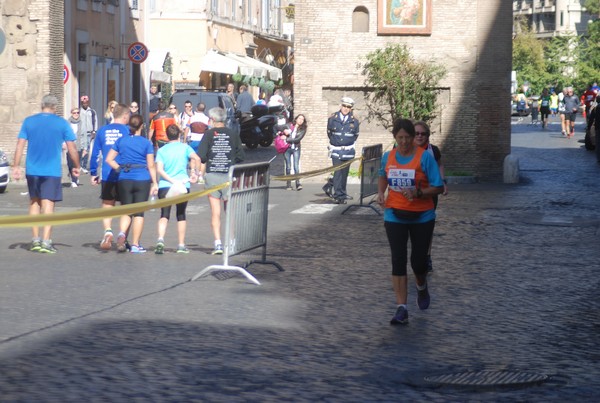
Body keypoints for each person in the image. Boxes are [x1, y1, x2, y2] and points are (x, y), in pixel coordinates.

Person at [377, 118, 443, 325]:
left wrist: (419, 192)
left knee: (418, 262)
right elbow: (382, 175)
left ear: (414, 138)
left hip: (422, 215)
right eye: (400, 138)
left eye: (408, 137)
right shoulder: (388, 157)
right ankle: (401, 308)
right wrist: (381, 192)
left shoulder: (425, 158)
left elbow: (438, 187)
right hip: (394, 213)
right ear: (395, 138)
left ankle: (421, 287)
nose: (404, 142)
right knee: (398, 259)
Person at [11, 94, 81, 253]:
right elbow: (72, 148)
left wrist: (15, 166)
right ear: (55, 107)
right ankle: (46, 241)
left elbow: (20, 145)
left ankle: (35, 240)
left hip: (32, 169)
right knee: (48, 205)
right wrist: (76, 166)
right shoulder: (62, 123)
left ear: (42, 105)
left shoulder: (29, 121)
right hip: (51, 171)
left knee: (34, 202)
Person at [105, 114, 158, 254]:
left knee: (126, 210)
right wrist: (155, 183)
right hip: (142, 178)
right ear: (142, 126)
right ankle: (135, 244)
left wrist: (119, 168)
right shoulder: (147, 143)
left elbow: (109, 159)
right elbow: (151, 164)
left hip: (124, 178)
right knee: (139, 213)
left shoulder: (121, 140)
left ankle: (122, 234)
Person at [197, 107, 245, 255]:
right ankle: (231, 241)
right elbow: (240, 155)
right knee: (229, 211)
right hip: (228, 175)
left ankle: (218, 243)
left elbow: (202, 156)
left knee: (215, 212)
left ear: (212, 120)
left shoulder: (208, 134)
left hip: (212, 176)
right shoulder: (233, 134)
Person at [89, 103, 131, 250]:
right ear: (125, 116)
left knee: (107, 204)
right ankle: (122, 235)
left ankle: (107, 232)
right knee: (126, 206)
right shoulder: (127, 131)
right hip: (125, 173)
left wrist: (94, 172)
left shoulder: (102, 131)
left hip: (107, 173)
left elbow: (95, 154)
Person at [154, 124, 201, 254]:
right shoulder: (185, 147)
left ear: (167, 136)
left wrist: (170, 180)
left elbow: (159, 170)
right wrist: (194, 173)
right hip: (182, 184)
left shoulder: (162, 150)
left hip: (165, 186)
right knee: (181, 214)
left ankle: (160, 239)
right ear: (179, 135)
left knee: (164, 214)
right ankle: (181, 244)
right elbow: (197, 158)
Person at [413, 121, 447, 274]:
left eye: (423, 133)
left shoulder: (433, 150)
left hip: (429, 193)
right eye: (416, 133)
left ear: (427, 135)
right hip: (410, 194)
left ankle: (427, 256)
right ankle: (416, 254)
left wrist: (442, 181)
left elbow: (440, 165)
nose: (419, 136)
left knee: (427, 227)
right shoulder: (404, 149)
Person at [323, 97, 360, 204]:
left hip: (348, 151)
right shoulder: (332, 118)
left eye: (348, 107)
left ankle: (342, 193)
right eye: (344, 106)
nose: (346, 108)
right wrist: (337, 143)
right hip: (336, 150)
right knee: (338, 173)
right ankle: (338, 195)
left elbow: (355, 135)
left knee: (344, 174)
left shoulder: (355, 120)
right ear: (341, 106)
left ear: (351, 108)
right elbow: (329, 133)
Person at [282, 114, 307, 191]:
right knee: (288, 166)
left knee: (296, 166)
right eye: (299, 118)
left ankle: (298, 183)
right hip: (287, 148)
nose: (300, 120)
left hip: (296, 148)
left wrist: (287, 139)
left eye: (302, 119)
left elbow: (297, 139)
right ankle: (288, 184)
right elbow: (278, 129)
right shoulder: (289, 125)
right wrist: (282, 132)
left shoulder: (303, 129)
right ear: (296, 119)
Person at [79, 94, 98, 173]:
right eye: (83, 102)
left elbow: (95, 121)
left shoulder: (92, 112)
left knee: (87, 149)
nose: (85, 103)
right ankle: (79, 165)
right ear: (81, 103)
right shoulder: (79, 111)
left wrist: (94, 131)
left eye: (86, 102)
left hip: (89, 133)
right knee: (81, 149)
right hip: (81, 133)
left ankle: (84, 165)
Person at [67, 107, 83, 187]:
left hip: (79, 145)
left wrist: (85, 147)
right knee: (70, 163)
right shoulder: (67, 123)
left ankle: (74, 180)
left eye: (77, 112)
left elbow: (84, 135)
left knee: (76, 163)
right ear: (71, 113)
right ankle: (72, 175)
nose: (76, 114)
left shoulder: (81, 122)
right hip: (70, 145)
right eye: (74, 113)